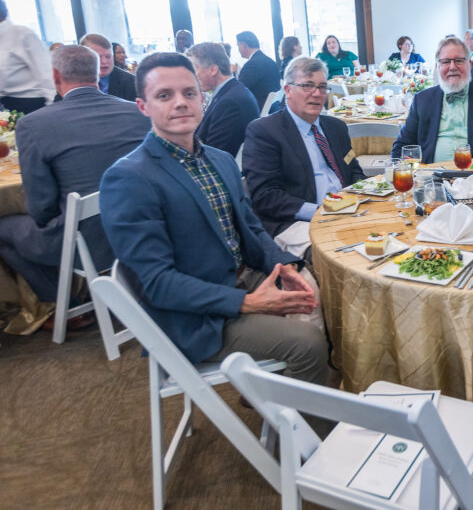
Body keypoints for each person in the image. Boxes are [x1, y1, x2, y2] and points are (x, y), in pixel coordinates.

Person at [100, 53, 328, 385]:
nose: (180, 103)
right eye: (165, 95)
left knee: (316, 288)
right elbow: (159, 284)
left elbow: (250, 228)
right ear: (143, 106)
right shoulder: (129, 179)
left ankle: (279, 395)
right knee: (307, 345)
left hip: (241, 278)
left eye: (189, 93)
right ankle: (307, 432)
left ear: (203, 99)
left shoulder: (219, 160)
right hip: (199, 316)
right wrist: (247, 303)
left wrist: (285, 265)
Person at [0, 45, 149, 308]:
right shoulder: (137, 111)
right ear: (96, 73)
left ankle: (65, 304)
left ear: (55, 76)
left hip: (87, 242)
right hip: (145, 229)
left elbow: (41, 206)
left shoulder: (34, 125)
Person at [244, 57, 366, 239]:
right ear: (288, 90)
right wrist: (319, 210)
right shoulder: (265, 132)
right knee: (345, 251)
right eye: (308, 86)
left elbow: (353, 171)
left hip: (348, 211)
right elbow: (265, 196)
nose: (317, 94)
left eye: (322, 87)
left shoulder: (336, 127)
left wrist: (360, 196)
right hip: (297, 222)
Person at [392, 36, 473, 164]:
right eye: (446, 62)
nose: (452, 67)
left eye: (458, 60)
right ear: (438, 66)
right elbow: (402, 146)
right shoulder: (422, 100)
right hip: (431, 177)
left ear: (469, 64)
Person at [188, 42, 259, 157]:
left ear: (213, 70)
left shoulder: (230, 103)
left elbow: (213, 155)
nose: (191, 77)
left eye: (194, 70)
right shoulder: (232, 92)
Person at [0, 0, 56, 113]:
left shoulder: (22, 34)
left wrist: (52, 107)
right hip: (4, 104)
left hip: (30, 102)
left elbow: (46, 73)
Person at [80, 33, 136, 102]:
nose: (104, 61)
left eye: (108, 57)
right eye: (98, 57)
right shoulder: (71, 81)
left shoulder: (130, 82)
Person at [236, 30, 280, 111]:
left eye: (238, 45)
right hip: (274, 109)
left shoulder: (252, 65)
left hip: (258, 111)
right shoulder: (270, 61)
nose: (238, 49)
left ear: (244, 46)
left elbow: (238, 91)